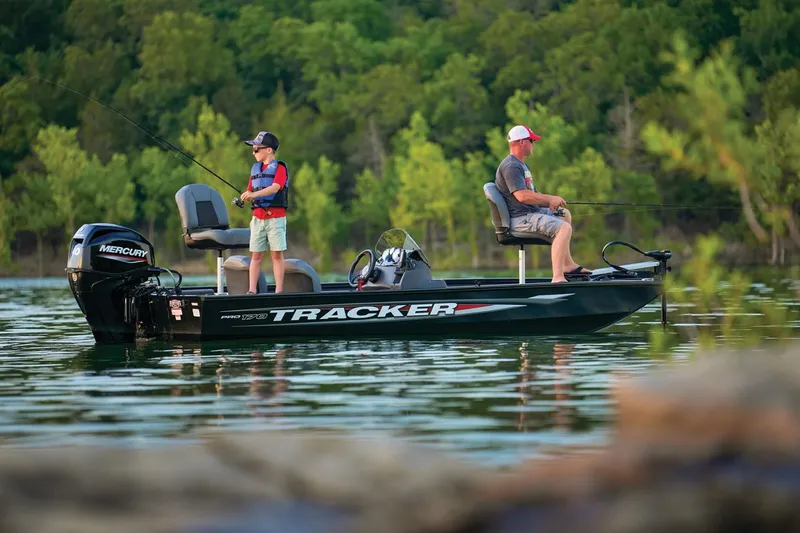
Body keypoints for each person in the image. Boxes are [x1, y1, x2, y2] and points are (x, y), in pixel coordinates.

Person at [495, 125, 591, 283]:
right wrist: (549, 199)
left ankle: (567, 265)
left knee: (564, 214)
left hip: (530, 214)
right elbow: (522, 196)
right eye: (532, 140)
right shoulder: (511, 166)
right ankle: (558, 277)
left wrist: (549, 203)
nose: (534, 144)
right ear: (522, 142)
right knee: (563, 228)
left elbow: (533, 194)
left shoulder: (521, 165)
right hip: (520, 219)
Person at [240, 131, 288, 294]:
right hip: (257, 219)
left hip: (276, 219)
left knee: (276, 255)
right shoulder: (255, 170)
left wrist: (254, 194)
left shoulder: (279, 168)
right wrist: (246, 197)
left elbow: (275, 187)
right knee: (256, 256)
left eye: (256, 149)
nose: (253, 152)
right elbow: (250, 190)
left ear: (269, 150)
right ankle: (252, 290)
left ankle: (279, 291)